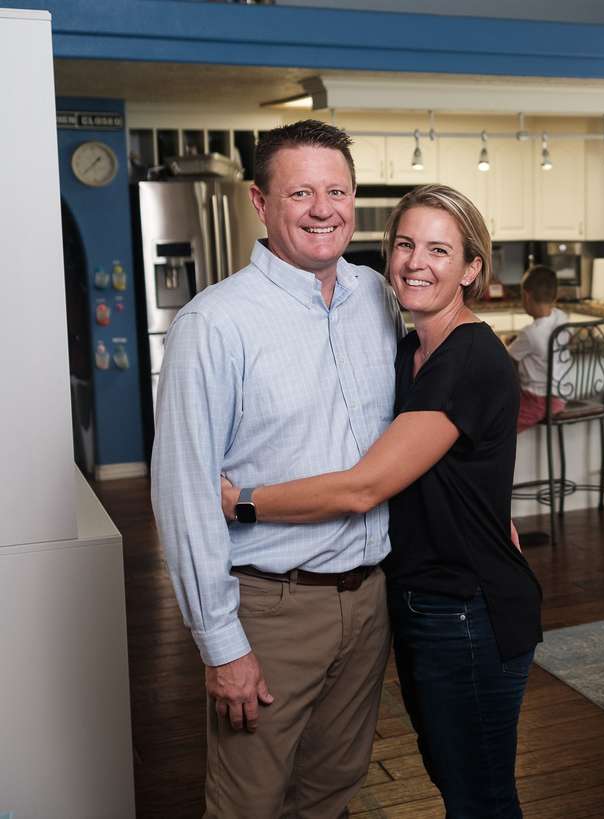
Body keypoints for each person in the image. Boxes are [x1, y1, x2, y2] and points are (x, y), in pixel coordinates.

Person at [218, 184, 543, 817]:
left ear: (472, 269)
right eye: (405, 244)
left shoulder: (469, 357)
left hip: (467, 610)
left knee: (480, 798)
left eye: (439, 250)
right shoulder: (411, 350)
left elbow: (365, 485)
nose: (416, 262)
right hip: (425, 602)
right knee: (455, 782)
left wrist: (243, 503)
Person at [151, 119, 404, 817]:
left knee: (332, 791)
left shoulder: (379, 300)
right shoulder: (216, 323)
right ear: (261, 204)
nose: (324, 209)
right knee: (248, 804)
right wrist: (222, 644)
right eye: (301, 193)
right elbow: (183, 493)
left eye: (337, 190)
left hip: (368, 600)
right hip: (272, 606)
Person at [507, 264, 567, 433]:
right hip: (559, 399)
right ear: (555, 298)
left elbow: (507, 359)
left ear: (526, 296)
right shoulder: (562, 318)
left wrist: (508, 343)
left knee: (499, 424)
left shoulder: (530, 333)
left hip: (537, 401)